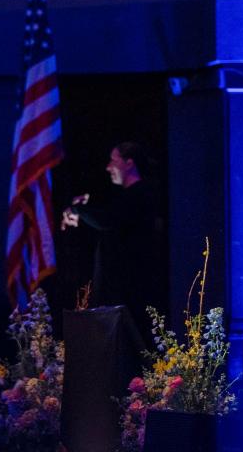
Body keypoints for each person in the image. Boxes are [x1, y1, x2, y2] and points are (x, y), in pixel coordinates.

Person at [61, 142, 165, 341]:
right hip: (122, 288)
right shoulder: (127, 197)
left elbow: (107, 220)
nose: (108, 167)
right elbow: (108, 217)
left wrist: (77, 210)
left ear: (129, 163)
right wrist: (83, 209)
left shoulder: (141, 194)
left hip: (133, 287)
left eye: (113, 160)